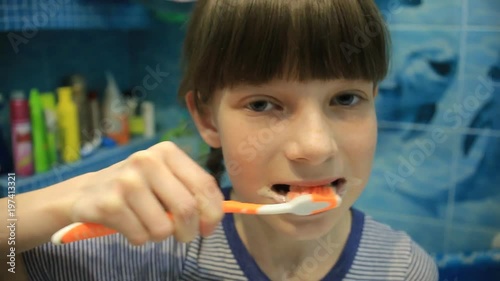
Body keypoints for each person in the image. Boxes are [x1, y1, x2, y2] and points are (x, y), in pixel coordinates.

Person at [0, 0, 439, 280]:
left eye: (346, 98)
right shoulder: (142, 255)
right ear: (208, 119)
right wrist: (59, 200)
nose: (316, 146)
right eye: (263, 104)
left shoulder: (405, 269)